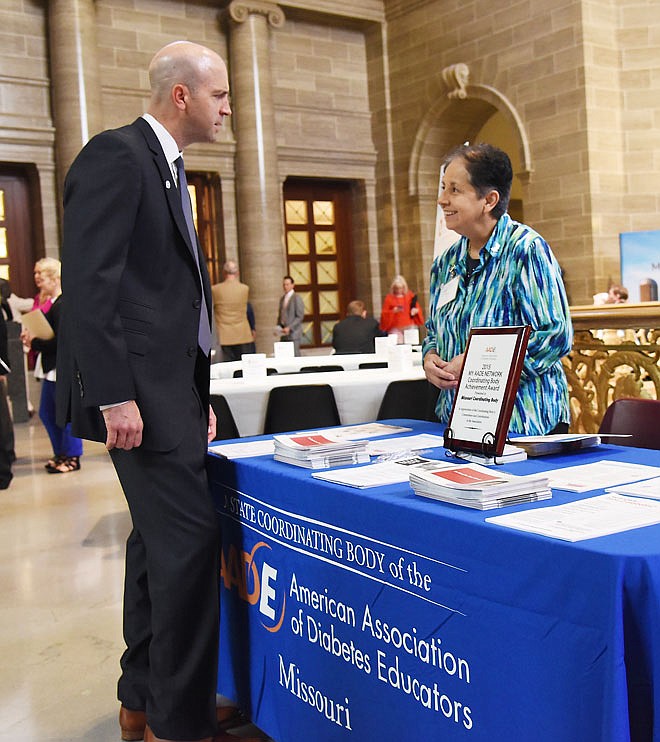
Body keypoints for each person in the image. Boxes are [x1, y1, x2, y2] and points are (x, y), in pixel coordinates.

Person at [56, 41, 250, 742]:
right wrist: (113, 395)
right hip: (134, 396)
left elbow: (166, 300)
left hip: (169, 392)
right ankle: (181, 721)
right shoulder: (117, 156)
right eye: (221, 96)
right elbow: (90, 287)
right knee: (189, 546)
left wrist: (193, 391)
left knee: (155, 548)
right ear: (182, 96)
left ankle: (141, 702)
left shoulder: (168, 169)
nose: (228, 108)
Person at [423, 142, 572, 435]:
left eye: (454, 190)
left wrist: (481, 365)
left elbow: (555, 336)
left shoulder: (526, 250)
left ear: (488, 200)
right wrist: (430, 359)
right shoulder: (446, 263)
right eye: (442, 188)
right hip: (459, 422)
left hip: (523, 423)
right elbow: (433, 330)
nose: (442, 200)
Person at [21, 259, 83, 473]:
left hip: (61, 367)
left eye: (41, 273)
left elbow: (61, 341)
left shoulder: (63, 303)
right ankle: (61, 454)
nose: (37, 277)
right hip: (51, 367)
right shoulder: (51, 302)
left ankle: (72, 457)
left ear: (54, 276)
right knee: (49, 414)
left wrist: (34, 342)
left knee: (65, 414)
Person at [211, 260, 254, 362]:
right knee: (243, 368)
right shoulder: (244, 288)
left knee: (228, 369)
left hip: (224, 334)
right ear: (237, 273)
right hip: (243, 333)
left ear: (224, 273)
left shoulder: (215, 289)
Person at [379, 274, 424, 341]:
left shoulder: (410, 296)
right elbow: (384, 313)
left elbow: (417, 308)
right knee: (397, 344)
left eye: (401, 288)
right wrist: (393, 311)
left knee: (411, 341)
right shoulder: (389, 298)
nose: (399, 290)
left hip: (409, 325)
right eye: (396, 288)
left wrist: (415, 311)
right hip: (395, 327)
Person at [276, 275, 305, 355]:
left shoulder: (296, 298)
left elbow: (300, 316)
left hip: (293, 334)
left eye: (287, 284)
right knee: (284, 356)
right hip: (284, 334)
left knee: (295, 356)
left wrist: (289, 327)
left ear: (292, 285)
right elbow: (280, 315)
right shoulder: (282, 299)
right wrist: (278, 328)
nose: (285, 286)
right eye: (284, 284)